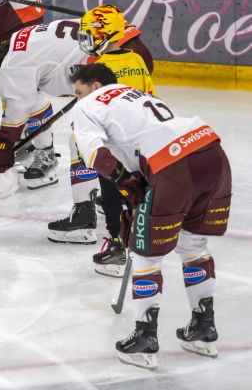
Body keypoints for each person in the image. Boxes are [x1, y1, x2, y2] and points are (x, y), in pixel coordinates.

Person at [70, 63, 231, 369]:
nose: (77, 98)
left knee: (145, 256)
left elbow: (95, 155)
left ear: (93, 86)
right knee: (192, 247)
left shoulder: (88, 105)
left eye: (78, 91)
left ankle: (144, 336)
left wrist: (125, 183)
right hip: (211, 151)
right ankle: (203, 328)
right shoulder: (135, 94)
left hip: (172, 167)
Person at [0, 6, 153, 240]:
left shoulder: (13, 67)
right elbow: (33, 95)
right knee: (115, 134)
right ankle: (122, 192)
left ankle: (84, 216)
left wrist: (3, 146)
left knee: (84, 139)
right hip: (128, 47)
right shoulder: (25, 40)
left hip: (115, 59)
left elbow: (14, 115)